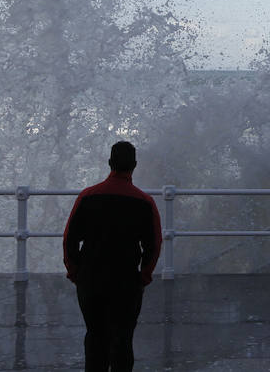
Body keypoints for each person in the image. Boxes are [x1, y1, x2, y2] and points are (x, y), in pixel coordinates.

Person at [63, 141, 162, 372]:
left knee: (96, 337)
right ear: (135, 165)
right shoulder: (145, 202)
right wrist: (144, 276)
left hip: (91, 280)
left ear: (110, 163)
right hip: (126, 281)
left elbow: (69, 238)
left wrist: (75, 271)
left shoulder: (88, 196)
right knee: (123, 340)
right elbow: (153, 245)